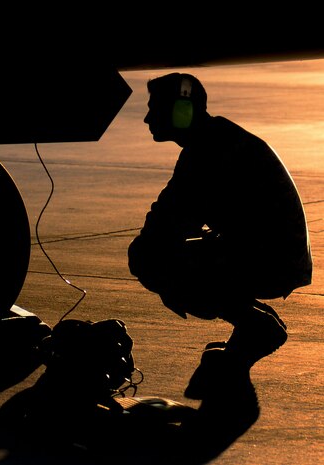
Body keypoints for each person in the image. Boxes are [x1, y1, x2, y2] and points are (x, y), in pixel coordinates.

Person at [128, 72, 313, 399]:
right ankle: (251, 326)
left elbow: (167, 223)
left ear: (181, 112)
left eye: (155, 109)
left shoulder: (209, 151)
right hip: (272, 253)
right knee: (163, 253)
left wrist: (165, 270)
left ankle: (255, 324)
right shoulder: (215, 139)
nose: (146, 118)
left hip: (271, 259)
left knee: (148, 257)